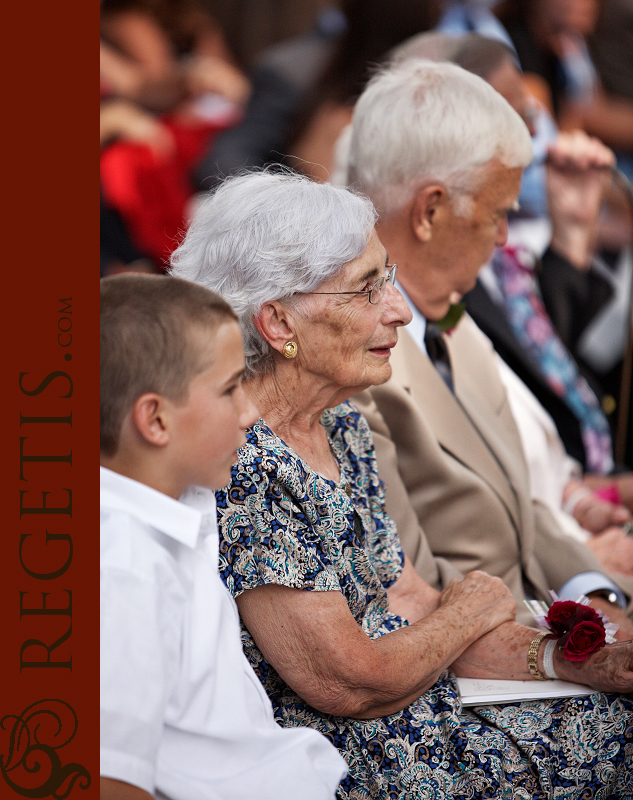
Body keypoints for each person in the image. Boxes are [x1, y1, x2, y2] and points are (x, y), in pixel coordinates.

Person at [170, 169, 633, 799]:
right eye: (367, 289)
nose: (401, 308)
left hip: (425, 706)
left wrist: (572, 658)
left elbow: (411, 604)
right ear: (279, 324)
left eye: (387, 275)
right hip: (361, 755)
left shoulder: (340, 424)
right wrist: (469, 611)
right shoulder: (244, 464)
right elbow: (350, 683)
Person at [342, 59, 633, 630]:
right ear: (429, 211)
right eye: (499, 213)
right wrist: (578, 631)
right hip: (484, 652)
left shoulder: (450, 314)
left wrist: (595, 593)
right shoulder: (354, 356)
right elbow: (414, 589)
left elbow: (523, 512)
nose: (505, 238)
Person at [100, 273, 347, 800]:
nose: (249, 412)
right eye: (230, 388)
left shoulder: (184, 498)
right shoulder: (121, 565)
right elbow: (111, 778)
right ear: (156, 420)